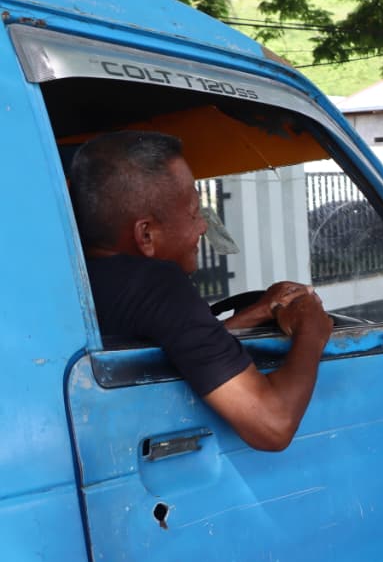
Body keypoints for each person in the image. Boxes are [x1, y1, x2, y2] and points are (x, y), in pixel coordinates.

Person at [67, 131, 332, 451]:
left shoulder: (77, 279)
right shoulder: (156, 284)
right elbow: (273, 424)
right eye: (193, 214)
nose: (203, 226)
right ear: (146, 234)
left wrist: (258, 311)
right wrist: (312, 328)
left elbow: (180, 348)